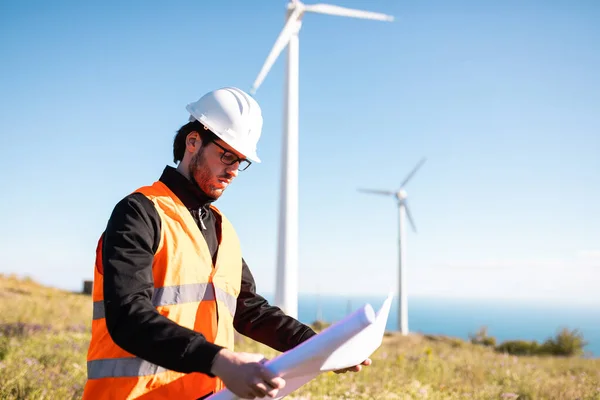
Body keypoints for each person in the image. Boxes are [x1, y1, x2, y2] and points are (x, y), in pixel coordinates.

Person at [82, 87, 369, 400]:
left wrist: (321, 345)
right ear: (193, 142)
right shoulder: (139, 212)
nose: (233, 169)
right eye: (227, 155)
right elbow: (128, 316)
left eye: (240, 161)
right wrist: (218, 360)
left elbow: (249, 310)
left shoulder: (222, 229)